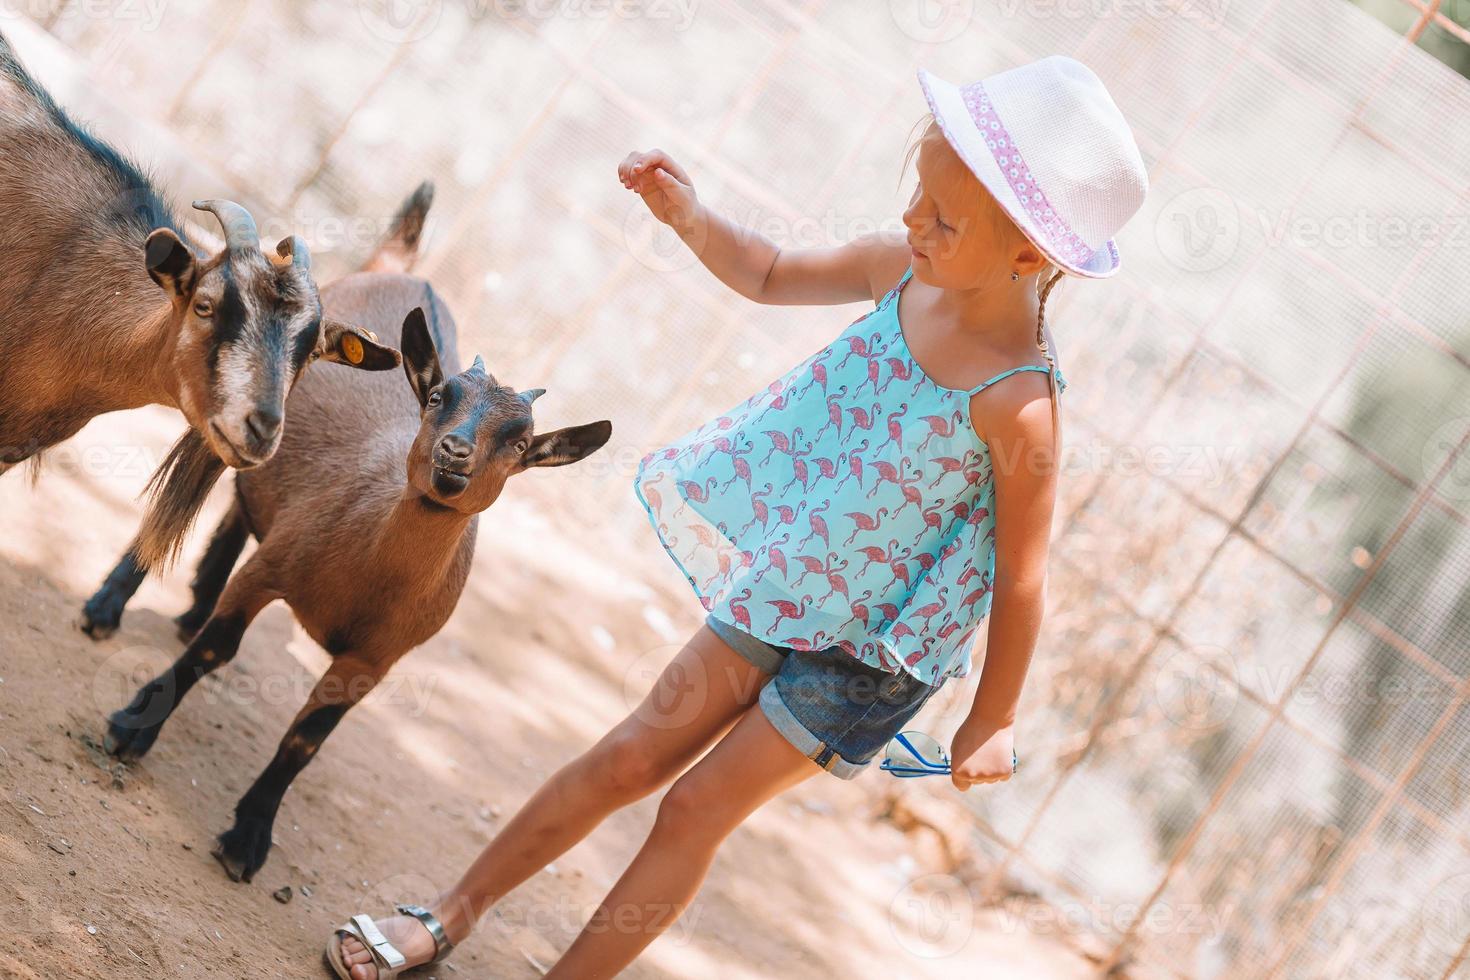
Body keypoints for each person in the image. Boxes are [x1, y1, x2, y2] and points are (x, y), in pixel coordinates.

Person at [325, 55, 1148, 979]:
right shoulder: (899, 269)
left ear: (1030, 253)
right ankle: (446, 915)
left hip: (871, 657)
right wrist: (691, 217)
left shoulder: (1021, 402)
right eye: (918, 195)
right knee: (631, 756)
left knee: (693, 808)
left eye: (943, 218)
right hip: (794, 586)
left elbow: (1023, 574)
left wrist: (992, 718)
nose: (914, 219)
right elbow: (766, 270)